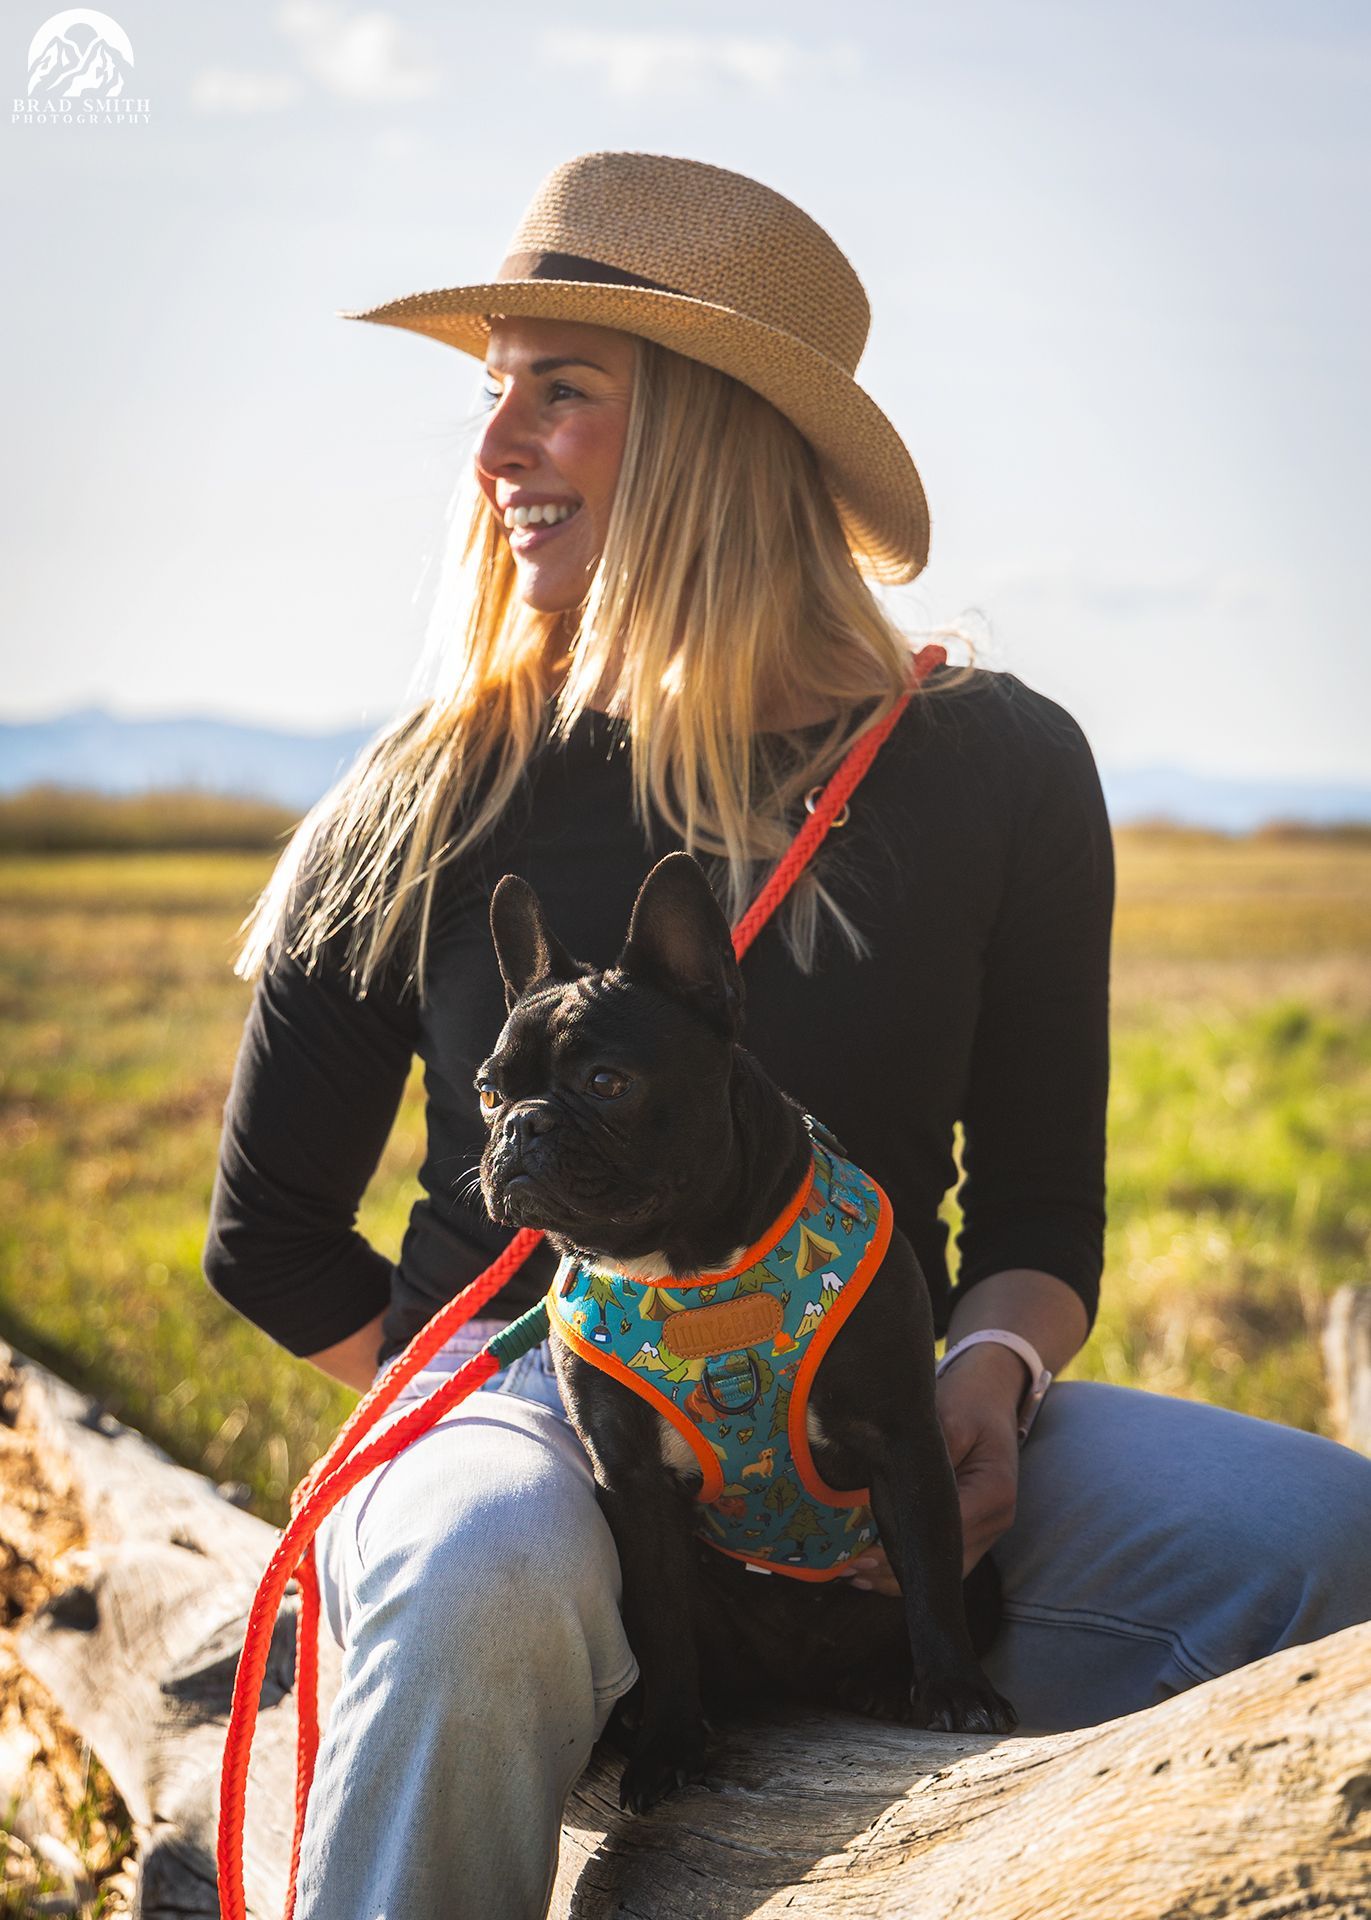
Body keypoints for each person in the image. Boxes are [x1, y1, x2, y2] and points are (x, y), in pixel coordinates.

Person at [203, 152, 1371, 1920]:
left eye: (561, 389)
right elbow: (267, 1234)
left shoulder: (1003, 764)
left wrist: (984, 1383)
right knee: (484, 1577)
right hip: (542, 1419)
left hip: (876, 1408)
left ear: (718, 436)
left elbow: (1043, 1216)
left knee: (1325, 1548)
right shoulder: (432, 785)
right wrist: (558, 1424)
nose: (493, 445)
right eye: (491, 386)